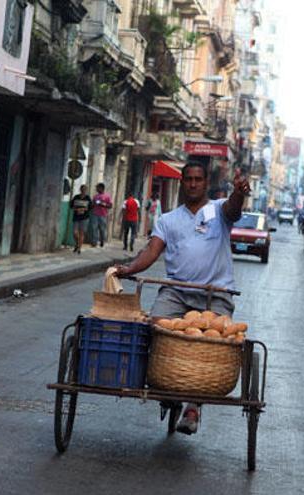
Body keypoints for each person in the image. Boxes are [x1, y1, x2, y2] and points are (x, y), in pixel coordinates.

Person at [114, 163, 250, 435]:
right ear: (182, 182)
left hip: (216, 293)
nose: (192, 184)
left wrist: (239, 194)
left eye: (198, 179)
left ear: (205, 182)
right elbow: (152, 251)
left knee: (209, 343)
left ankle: (193, 407)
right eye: (188, 179)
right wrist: (128, 269)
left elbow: (233, 210)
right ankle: (163, 382)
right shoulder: (168, 219)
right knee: (154, 326)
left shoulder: (218, 210)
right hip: (176, 291)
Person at [90, 183, 112, 247]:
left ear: (101, 188)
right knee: (94, 228)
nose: (96, 189)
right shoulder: (95, 196)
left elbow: (110, 205)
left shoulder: (107, 196)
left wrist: (103, 204)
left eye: (98, 188)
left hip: (103, 215)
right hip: (95, 214)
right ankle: (94, 242)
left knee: (102, 229)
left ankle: (102, 241)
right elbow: (93, 204)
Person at [71, 185, 91, 254]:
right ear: (80, 190)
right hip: (76, 217)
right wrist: (76, 209)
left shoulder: (88, 198)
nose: (83, 191)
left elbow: (90, 207)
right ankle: (77, 243)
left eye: (85, 190)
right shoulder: (76, 197)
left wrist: (84, 209)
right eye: (82, 189)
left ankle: (79, 248)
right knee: (74, 232)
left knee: (82, 233)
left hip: (84, 217)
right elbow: (71, 205)